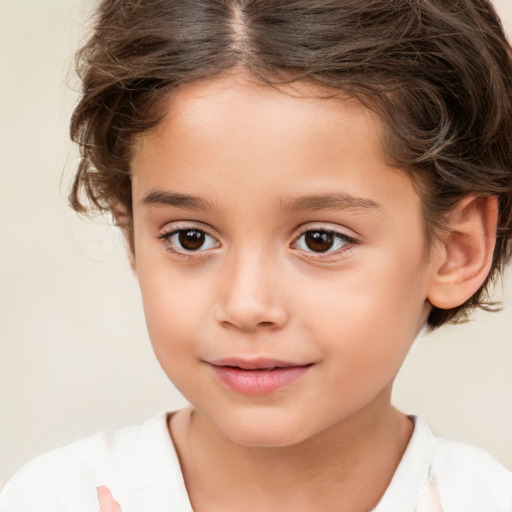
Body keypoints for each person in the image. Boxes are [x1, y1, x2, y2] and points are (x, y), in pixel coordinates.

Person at [2, 0, 512, 510]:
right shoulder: (57, 498)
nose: (246, 306)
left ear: (456, 249)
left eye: (320, 240)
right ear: (132, 231)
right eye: (190, 238)